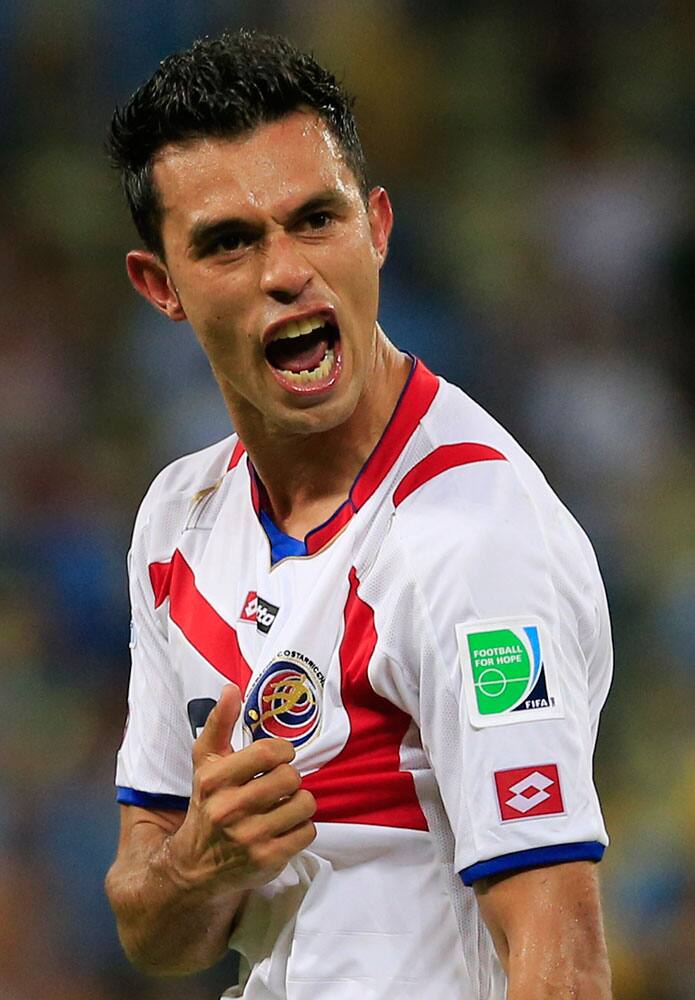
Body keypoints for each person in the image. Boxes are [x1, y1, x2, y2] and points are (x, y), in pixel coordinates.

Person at [105, 29, 613, 1000]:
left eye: (313, 220)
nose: (283, 270)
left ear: (376, 227)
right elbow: (153, 928)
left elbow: (561, 955)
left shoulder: (469, 537)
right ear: (159, 286)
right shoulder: (181, 514)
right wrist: (195, 868)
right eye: (228, 241)